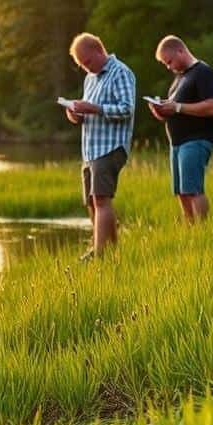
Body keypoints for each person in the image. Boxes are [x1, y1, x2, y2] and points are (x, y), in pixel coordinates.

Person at [65, 33, 136, 259]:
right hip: (90, 150)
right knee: (92, 203)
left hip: (110, 147)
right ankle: (111, 252)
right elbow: (88, 113)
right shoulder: (90, 78)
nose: (86, 68)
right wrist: (75, 114)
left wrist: (94, 108)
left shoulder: (121, 72)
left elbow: (127, 109)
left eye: (87, 62)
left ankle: (99, 254)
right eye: (81, 66)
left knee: (101, 200)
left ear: (98, 50)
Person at [147, 35, 213, 223]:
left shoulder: (203, 72)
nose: (169, 67)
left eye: (169, 61)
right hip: (177, 143)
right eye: (165, 64)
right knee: (181, 192)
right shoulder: (179, 78)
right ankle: (190, 232)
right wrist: (159, 110)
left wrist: (177, 107)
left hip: (196, 139)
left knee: (193, 190)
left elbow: (212, 107)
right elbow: (173, 111)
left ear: (180, 51)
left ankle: (202, 232)